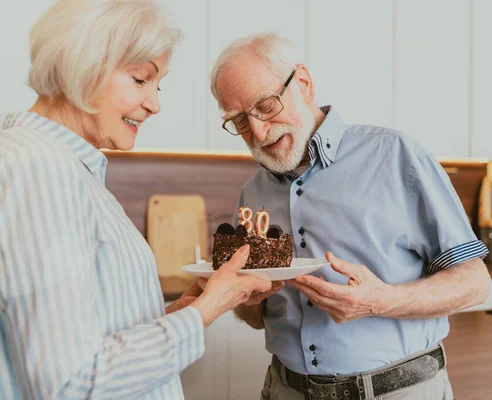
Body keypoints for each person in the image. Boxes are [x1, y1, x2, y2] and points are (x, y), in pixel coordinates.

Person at [0, 2, 281, 399]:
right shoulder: (37, 168)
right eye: (140, 79)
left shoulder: (68, 169)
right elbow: (69, 384)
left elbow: (94, 336)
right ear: (80, 64)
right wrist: (207, 310)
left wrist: (190, 308)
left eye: (158, 84)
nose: (155, 103)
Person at [209, 33, 492, 399]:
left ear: (304, 84)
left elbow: (475, 282)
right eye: (240, 121)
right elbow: (255, 315)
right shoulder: (253, 191)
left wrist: (380, 300)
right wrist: (245, 299)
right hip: (284, 389)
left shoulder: (396, 156)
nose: (259, 131)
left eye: (266, 106)